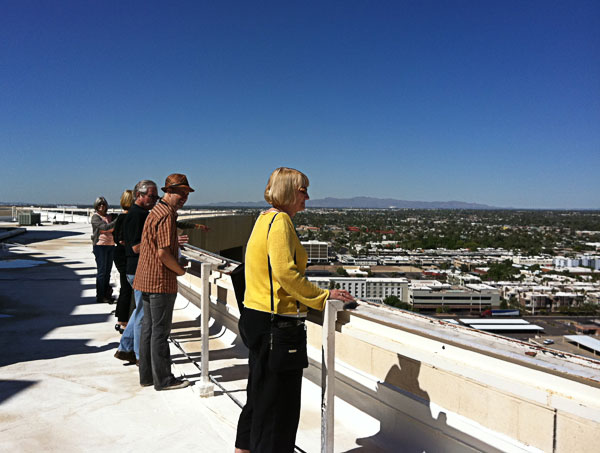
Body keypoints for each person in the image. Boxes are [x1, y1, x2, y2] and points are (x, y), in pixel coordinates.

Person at [234, 167, 354, 453]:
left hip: (255, 316)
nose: (307, 197)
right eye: (303, 190)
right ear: (288, 190)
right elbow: (286, 273)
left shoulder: (262, 219)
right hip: (277, 325)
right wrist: (324, 297)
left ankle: (244, 448)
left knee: (260, 396)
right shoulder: (280, 222)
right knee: (279, 408)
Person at [134, 173, 195, 390]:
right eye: (181, 192)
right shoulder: (167, 215)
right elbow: (163, 253)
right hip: (160, 281)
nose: (184, 197)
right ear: (168, 191)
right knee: (160, 332)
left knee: (149, 330)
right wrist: (179, 271)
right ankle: (164, 379)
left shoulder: (156, 211)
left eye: (186, 193)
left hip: (146, 279)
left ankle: (148, 376)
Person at [114, 180, 158, 364]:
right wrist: (162, 243)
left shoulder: (141, 214)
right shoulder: (136, 216)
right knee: (143, 314)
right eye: (151, 196)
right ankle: (140, 355)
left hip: (137, 269)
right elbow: (135, 247)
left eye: (156, 197)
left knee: (139, 310)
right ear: (139, 195)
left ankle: (125, 348)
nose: (155, 200)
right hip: (137, 269)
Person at [113, 189, 134, 333]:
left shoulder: (121, 218)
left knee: (125, 289)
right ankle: (123, 320)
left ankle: (122, 317)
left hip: (120, 255)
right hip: (124, 256)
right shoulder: (127, 218)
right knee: (126, 289)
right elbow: (120, 239)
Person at [91, 197, 117, 304]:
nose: (101, 206)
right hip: (100, 246)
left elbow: (108, 228)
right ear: (96, 206)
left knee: (108, 272)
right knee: (101, 272)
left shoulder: (110, 216)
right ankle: (100, 295)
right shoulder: (95, 218)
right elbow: (105, 227)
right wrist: (115, 223)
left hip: (110, 245)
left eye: (103, 204)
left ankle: (107, 294)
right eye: (99, 205)